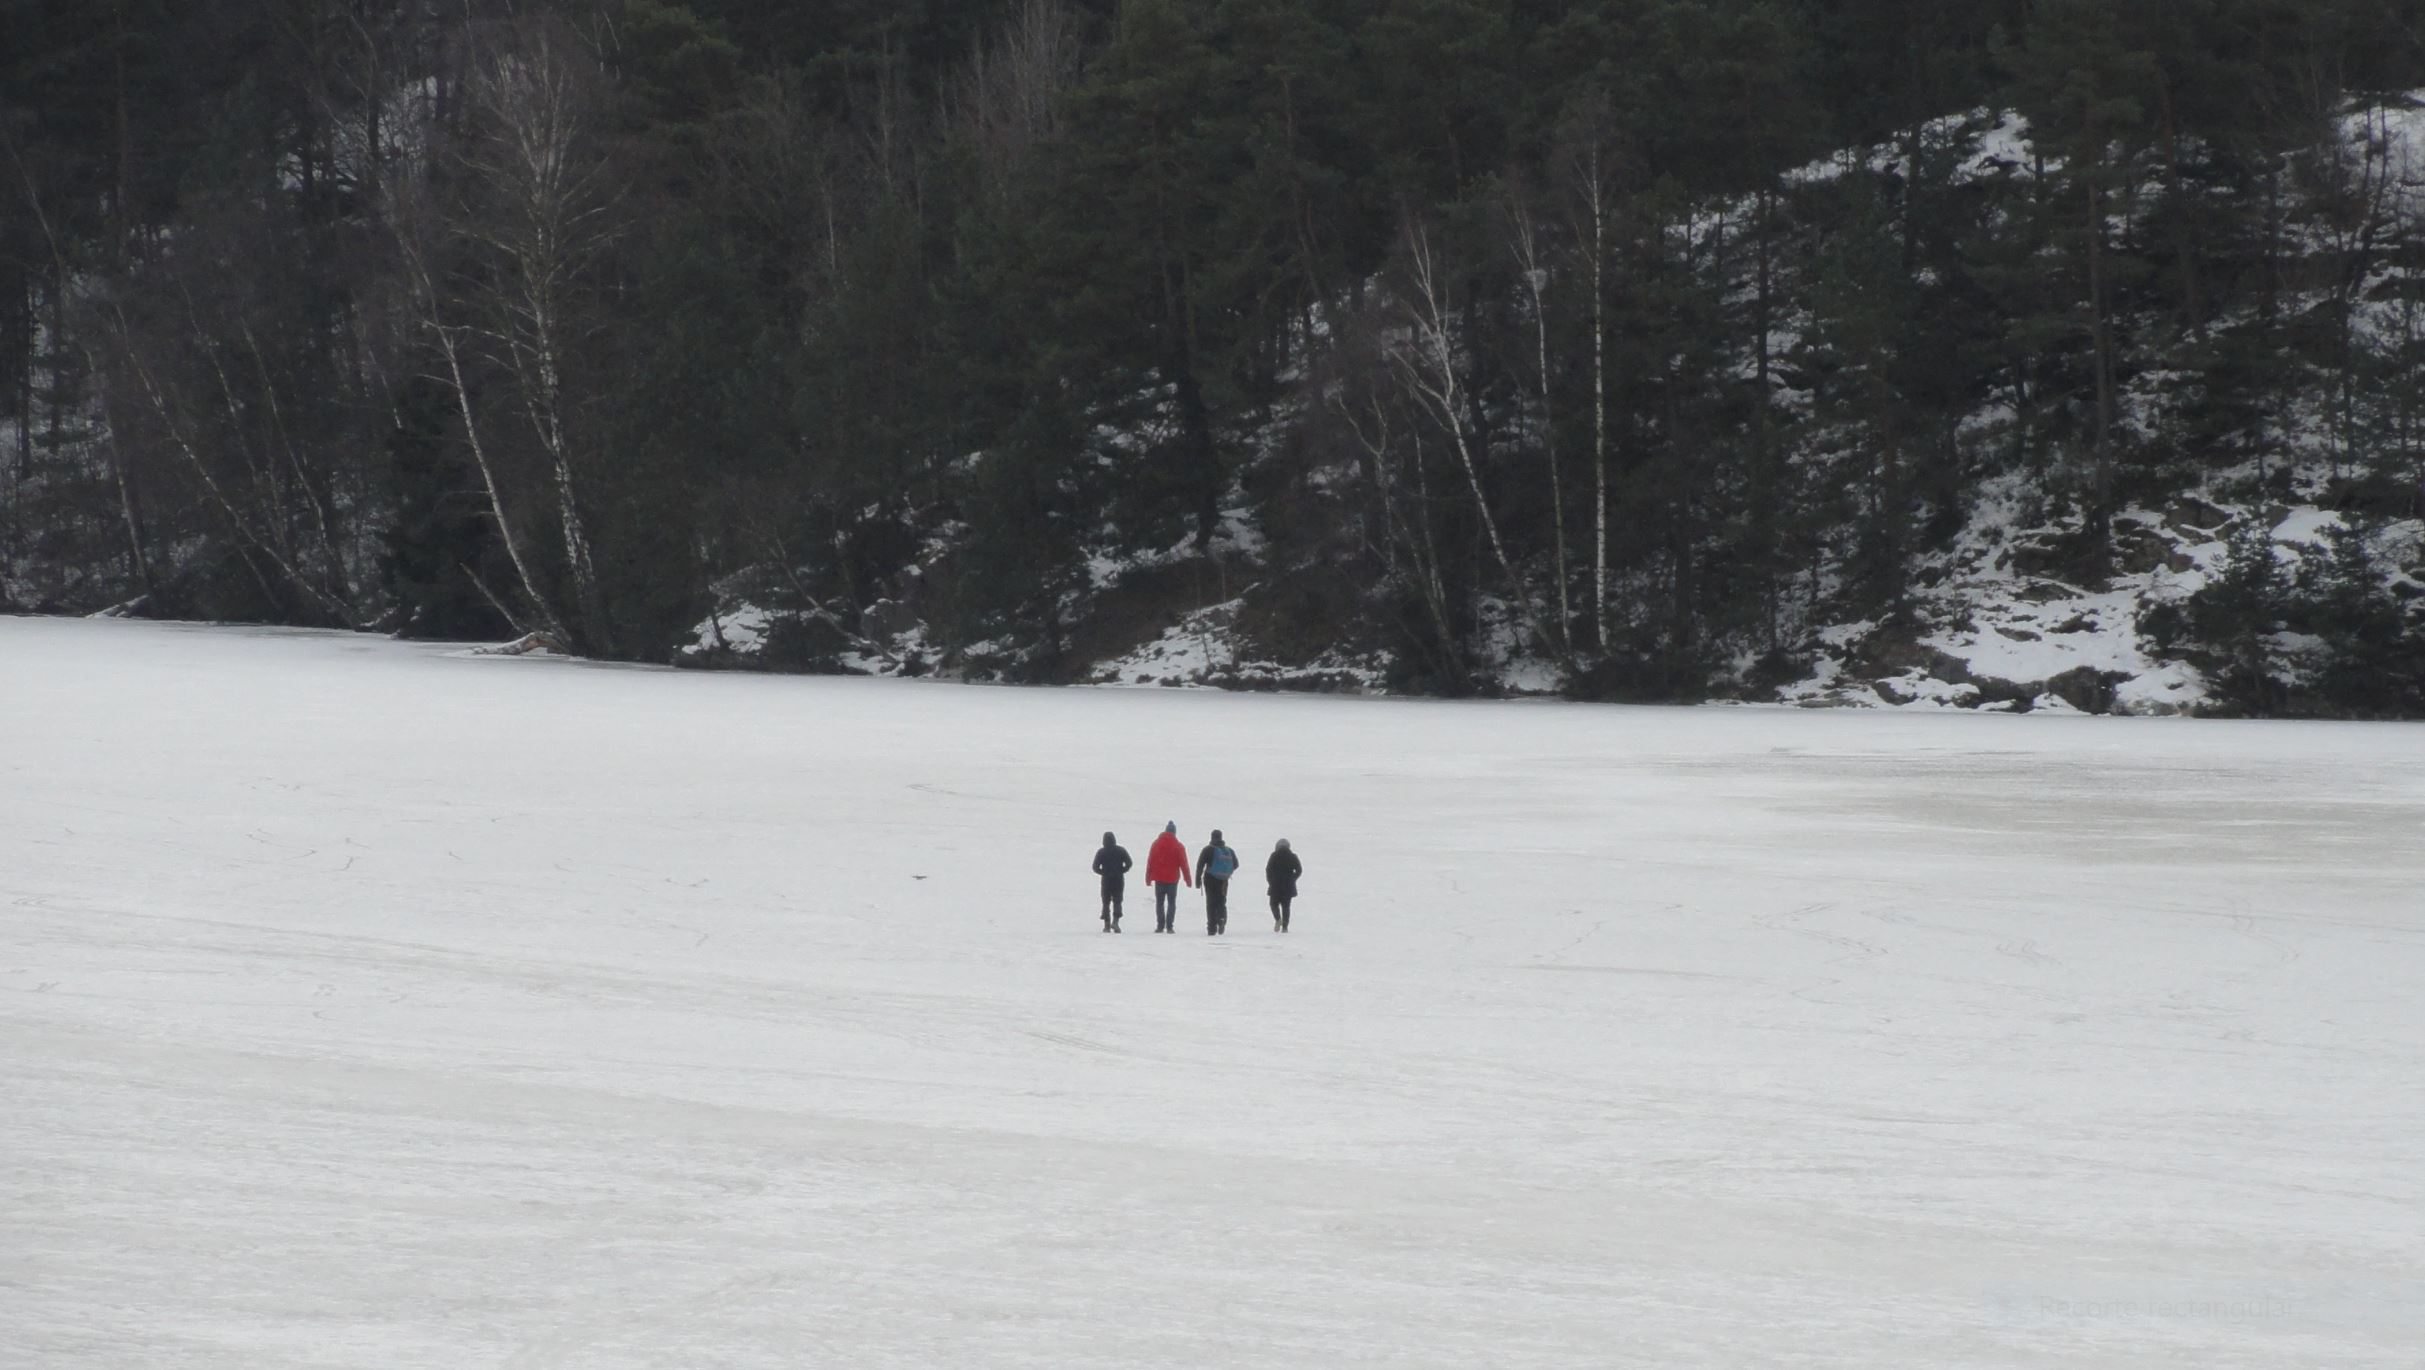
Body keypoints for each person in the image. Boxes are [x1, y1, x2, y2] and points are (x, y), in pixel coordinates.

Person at [1143, 821, 1192, 933]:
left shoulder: (1156, 844)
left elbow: (1150, 861)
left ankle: (1160, 926)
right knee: (1171, 902)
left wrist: (1148, 877)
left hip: (1159, 879)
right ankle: (1169, 926)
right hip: (1172, 879)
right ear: (1174, 832)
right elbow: (1184, 864)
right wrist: (1187, 879)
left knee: (1159, 903)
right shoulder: (1178, 846)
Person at [1195, 829, 1240, 935]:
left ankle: (1212, 927)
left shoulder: (1208, 850)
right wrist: (1227, 872)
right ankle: (1222, 919)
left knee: (1211, 902)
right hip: (1223, 880)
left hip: (1210, 879)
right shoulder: (1229, 850)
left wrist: (1197, 881)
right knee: (1221, 901)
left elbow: (1200, 865)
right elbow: (1236, 864)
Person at [1091, 832, 1132, 932]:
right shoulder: (1121, 850)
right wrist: (1122, 870)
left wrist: (1103, 872)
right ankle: (1116, 921)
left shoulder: (1101, 852)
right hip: (1118, 879)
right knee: (1117, 901)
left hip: (1106, 880)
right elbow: (1129, 863)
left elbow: (1095, 867)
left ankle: (1106, 924)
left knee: (1106, 902)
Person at [1266, 838, 1301, 932]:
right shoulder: (1293, 856)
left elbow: (1268, 869)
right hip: (1288, 885)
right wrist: (1293, 878)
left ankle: (1278, 919)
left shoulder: (1274, 855)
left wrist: (1270, 881)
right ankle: (1285, 926)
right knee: (1286, 906)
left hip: (1275, 884)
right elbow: (1299, 870)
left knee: (1273, 904)